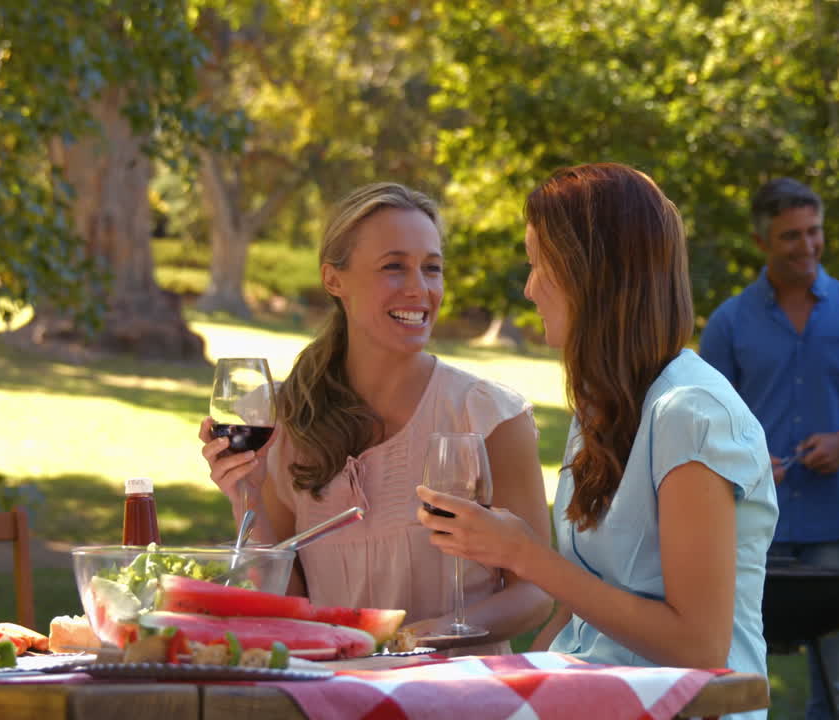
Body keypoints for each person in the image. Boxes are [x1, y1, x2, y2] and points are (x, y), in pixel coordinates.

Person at [415, 163, 778, 718]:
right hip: (597, 697)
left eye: (540, 265)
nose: (529, 287)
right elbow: (582, 610)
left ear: (594, 273)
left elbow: (700, 647)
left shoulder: (690, 413)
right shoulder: (603, 406)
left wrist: (523, 555)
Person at [199, 182, 553, 653]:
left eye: (432, 268)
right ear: (333, 279)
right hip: (327, 696)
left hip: (458, 698)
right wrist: (246, 496)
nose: (419, 288)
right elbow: (283, 602)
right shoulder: (285, 419)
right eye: (393, 267)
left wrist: (415, 640)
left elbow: (535, 591)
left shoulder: (489, 416)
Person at [700, 177, 839, 720]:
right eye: (791, 236)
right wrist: (740, 460)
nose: (808, 245)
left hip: (837, 523)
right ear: (761, 240)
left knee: (836, 681)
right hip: (749, 524)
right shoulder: (729, 321)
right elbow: (696, 422)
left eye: (814, 232)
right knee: (734, 671)